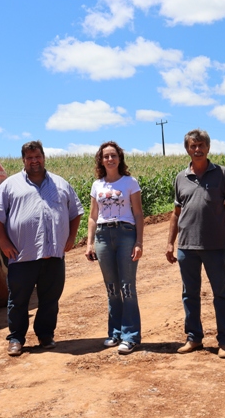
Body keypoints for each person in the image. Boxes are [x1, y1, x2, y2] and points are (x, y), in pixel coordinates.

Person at [0, 140, 84, 357]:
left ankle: (46, 336)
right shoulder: (10, 185)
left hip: (54, 255)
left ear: (43, 157)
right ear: (23, 160)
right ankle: (16, 338)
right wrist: (4, 241)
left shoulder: (60, 184)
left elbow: (76, 212)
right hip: (22, 255)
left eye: (37, 156)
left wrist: (72, 236)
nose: (34, 161)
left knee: (50, 299)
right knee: (18, 300)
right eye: (29, 158)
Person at [165, 129, 225, 359]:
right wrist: (170, 243)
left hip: (215, 246)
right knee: (190, 294)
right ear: (187, 149)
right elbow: (175, 213)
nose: (197, 149)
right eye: (193, 146)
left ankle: (224, 341)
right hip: (187, 247)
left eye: (201, 145)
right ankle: (194, 338)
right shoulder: (181, 177)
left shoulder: (222, 174)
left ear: (208, 148)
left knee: (220, 293)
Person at [84, 141, 144, 355]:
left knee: (127, 287)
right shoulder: (97, 185)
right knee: (111, 289)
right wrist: (89, 242)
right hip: (102, 236)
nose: (110, 159)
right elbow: (92, 216)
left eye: (113, 155)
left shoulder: (130, 182)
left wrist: (139, 242)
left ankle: (131, 336)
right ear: (101, 160)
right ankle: (115, 332)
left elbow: (138, 213)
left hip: (125, 233)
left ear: (120, 158)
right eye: (106, 156)